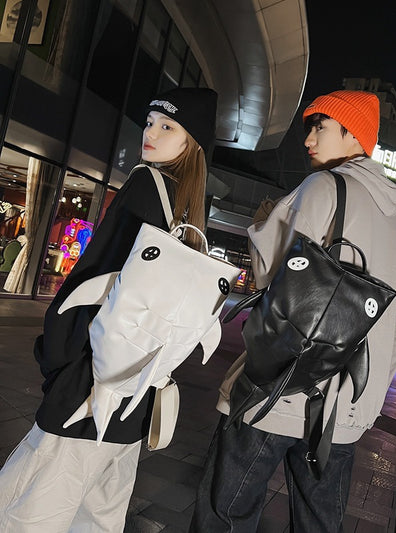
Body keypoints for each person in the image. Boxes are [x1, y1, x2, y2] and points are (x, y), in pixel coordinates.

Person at [190, 90, 396, 532]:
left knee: (227, 512)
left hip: (279, 391)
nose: (309, 138)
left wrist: (264, 222)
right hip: (343, 412)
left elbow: (268, 273)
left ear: (354, 134)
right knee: (318, 523)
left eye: (322, 126)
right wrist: (365, 395)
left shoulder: (322, 187)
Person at [0, 87, 217, 532]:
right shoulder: (188, 207)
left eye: (168, 126)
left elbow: (94, 276)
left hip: (90, 383)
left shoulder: (144, 184)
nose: (151, 133)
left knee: (29, 509)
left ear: (190, 143)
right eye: (151, 122)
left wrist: (56, 358)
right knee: (100, 514)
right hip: (139, 388)